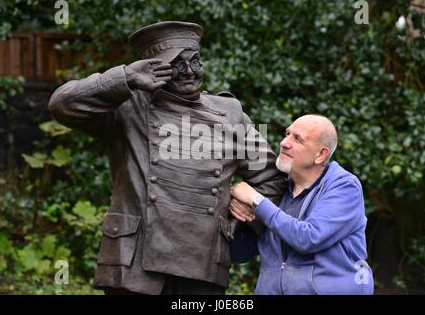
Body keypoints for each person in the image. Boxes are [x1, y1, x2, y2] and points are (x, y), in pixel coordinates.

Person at [48, 21, 285, 295]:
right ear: (153, 69)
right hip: (134, 264)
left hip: (203, 263)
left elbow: (271, 179)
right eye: (177, 64)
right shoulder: (128, 107)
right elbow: (62, 105)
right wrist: (124, 77)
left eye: (195, 62)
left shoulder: (231, 114)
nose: (188, 72)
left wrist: (243, 215)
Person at [229, 114, 374, 295]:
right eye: (287, 133)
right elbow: (240, 253)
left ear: (321, 155)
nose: (284, 142)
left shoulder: (344, 187)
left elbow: (308, 238)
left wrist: (257, 201)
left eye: (297, 139)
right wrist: (235, 213)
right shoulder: (277, 189)